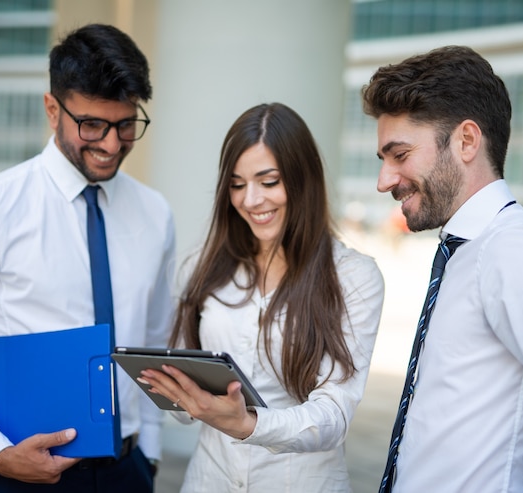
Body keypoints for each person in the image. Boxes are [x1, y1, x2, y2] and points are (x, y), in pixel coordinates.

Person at [362, 44, 523, 492]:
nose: (384, 180)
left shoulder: (516, 248)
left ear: (466, 141)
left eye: (399, 155)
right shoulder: (467, 250)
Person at [138, 102, 385, 492]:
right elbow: (184, 411)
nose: (250, 200)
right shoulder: (201, 268)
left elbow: (333, 416)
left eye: (268, 182)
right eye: (237, 184)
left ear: (303, 179)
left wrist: (246, 423)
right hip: (208, 481)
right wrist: (172, 389)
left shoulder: (355, 276)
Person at [0, 24, 175, 492]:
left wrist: (148, 452)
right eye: (92, 124)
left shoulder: (156, 213)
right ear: (53, 110)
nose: (112, 145)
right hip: (20, 472)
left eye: (126, 124)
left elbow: (156, 341)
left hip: (127, 472)